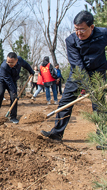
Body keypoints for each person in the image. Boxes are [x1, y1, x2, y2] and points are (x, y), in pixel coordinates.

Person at [41, 11, 107, 141]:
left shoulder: (103, 34)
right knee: (65, 102)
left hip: (98, 72)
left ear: (92, 27)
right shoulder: (71, 41)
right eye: (76, 29)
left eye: (82, 29)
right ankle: (57, 133)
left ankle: (103, 137)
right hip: (78, 74)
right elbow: (77, 65)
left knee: (99, 106)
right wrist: (87, 86)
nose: (78, 33)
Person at [0, 52, 34, 124]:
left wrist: (31, 71)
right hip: (2, 80)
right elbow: (9, 82)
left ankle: (13, 117)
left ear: (16, 61)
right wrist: (14, 91)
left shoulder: (20, 60)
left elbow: (26, 65)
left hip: (13, 80)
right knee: (0, 94)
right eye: (8, 62)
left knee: (14, 97)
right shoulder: (4, 66)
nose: (10, 64)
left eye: (12, 63)